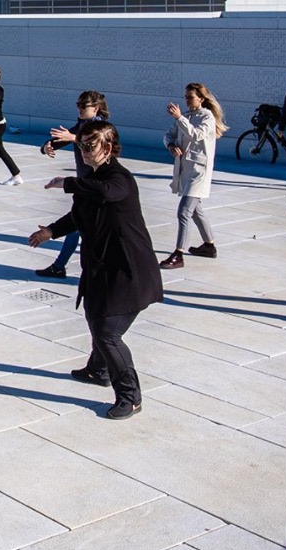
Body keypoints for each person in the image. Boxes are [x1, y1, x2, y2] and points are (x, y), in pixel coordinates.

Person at [45, 121, 162, 419]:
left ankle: (130, 396)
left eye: (89, 146)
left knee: (108, 332)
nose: (83, 151)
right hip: (102, 267)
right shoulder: (93, 179)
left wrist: (67, 182)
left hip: (129, 269)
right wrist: (50, 231)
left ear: (108, 148)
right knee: (95, 314)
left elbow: (108, 193)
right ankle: (98, 370)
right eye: (80, 145)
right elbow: (78, 214)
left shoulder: (119, 178)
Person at [31, 90, 107, 278]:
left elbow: (93, 142)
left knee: (87, 227)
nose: (79, 109)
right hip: (84, 185)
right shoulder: (81, 125)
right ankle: (59, 266)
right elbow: (65, 138)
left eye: (84, 106)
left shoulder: (102, 127)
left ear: (96, 108)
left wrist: (74, 138)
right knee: (76, 225)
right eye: (78, 105)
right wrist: (47, 146)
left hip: (97, 186)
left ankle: (69, 267)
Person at [160, 82, 227, 270]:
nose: (187, 100)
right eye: (186, 97)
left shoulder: (207, 117)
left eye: (191, 97)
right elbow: (168, 135)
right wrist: (171, 145)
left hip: (199, 172)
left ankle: (178, 254)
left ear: (201, 99)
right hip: (185, 170)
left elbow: (196, 135)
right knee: (196, 211)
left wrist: (180, 117)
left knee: (184, 212)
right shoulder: (187, 116)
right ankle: (209, 246)